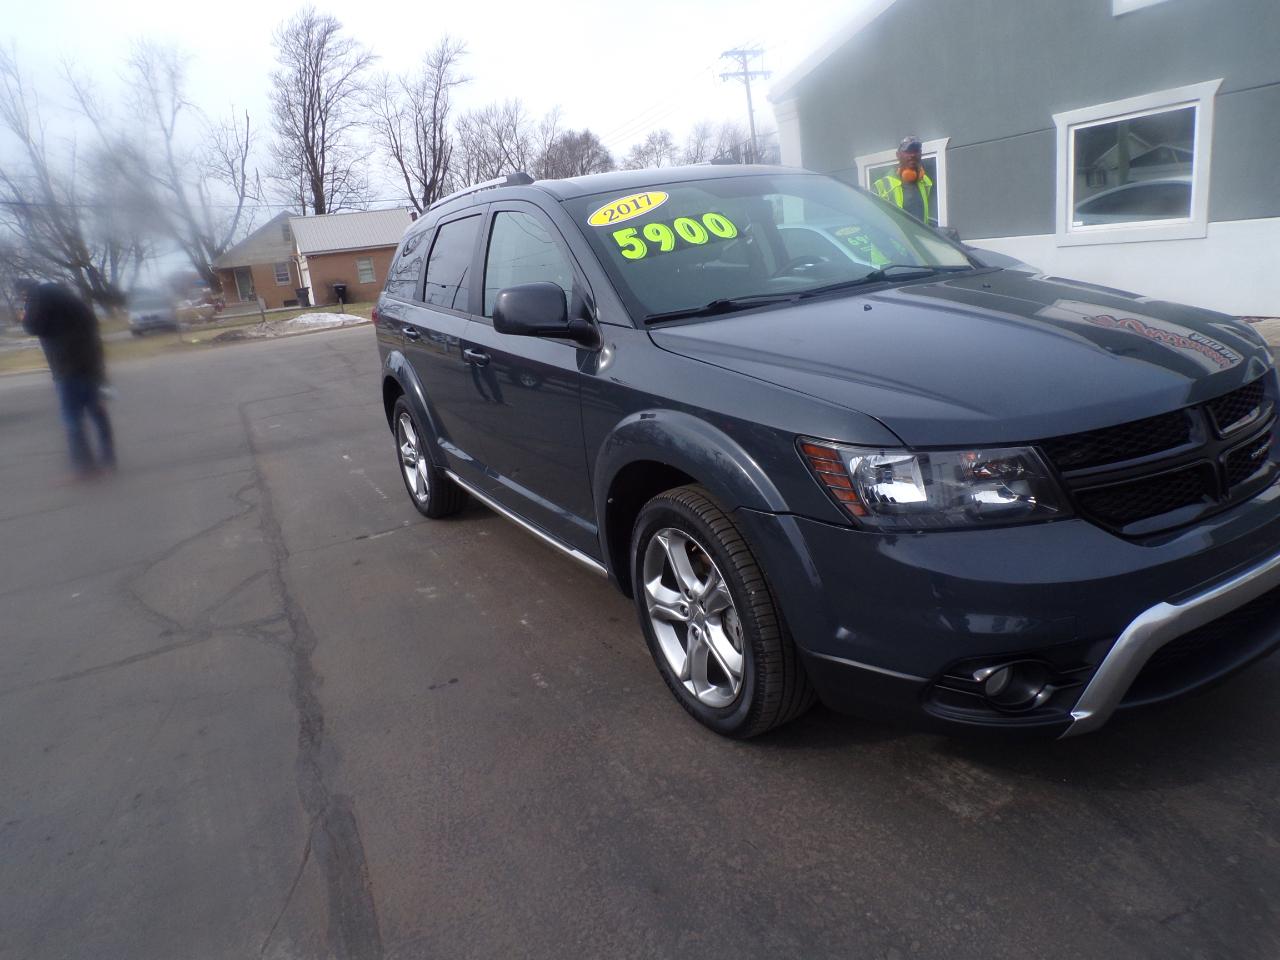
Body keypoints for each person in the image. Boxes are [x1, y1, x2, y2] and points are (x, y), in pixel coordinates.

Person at [18, 279, 116, 476]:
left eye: (22, 295)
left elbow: (32, 326)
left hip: (66, 367)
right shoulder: (72, 301)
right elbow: (92, 325)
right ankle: (108, 459)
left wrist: (24, 316)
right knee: (97, 412)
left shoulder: (39, 295)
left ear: (25, 290)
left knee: (71, 416)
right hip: (90, 363)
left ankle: (84, 467)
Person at [873, 135, 936, 226]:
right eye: (908, 151)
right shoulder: (881, 186)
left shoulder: (926, 182)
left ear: (921, 153)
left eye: (916, 151)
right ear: (898, 155)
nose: (913, 155)